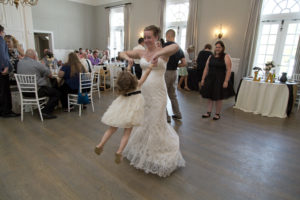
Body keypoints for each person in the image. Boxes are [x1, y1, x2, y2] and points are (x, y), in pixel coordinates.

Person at [119, 25, 185, 177]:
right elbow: (122, 53)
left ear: (156, 37)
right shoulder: (141, 52)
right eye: (145, 37)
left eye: (150, 37)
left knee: (156, 121)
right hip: (143, 92)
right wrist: (128, 58)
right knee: (144, 121)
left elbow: (176, 46)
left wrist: (158, 51)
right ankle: (143, 152)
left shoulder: (164, 52)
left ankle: (157, 154)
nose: (147, 40)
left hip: (158, 93)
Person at [94, 62, 155, 164]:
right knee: (127, 133)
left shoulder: (123, 88)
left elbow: (126, 77)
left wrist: (129, 67)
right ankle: (119, 151)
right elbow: (146, 74)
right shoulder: (138, 84)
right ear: (132, 79)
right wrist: (151, 66)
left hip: (120, 108)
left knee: (112, 129)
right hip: (132, 111)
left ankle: (100, 144)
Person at [18, 49, 60, 119]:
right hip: (36, 91)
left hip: (24, 92)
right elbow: (49, 74)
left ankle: (43, 108)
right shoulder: (36, 63)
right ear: (34, 56)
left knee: (47, 88)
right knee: (57, 93)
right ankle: (46, 112)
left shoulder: (20, 63)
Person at [200, 41, 235, 120]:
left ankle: (217, 113)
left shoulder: (226, 56)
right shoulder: (210, 56)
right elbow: (206, 68)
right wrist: (203, 79)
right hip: (210, 78)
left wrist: (226, 81)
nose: (217, 49)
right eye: (216, 47)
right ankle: (208, 112)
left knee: (218, 97)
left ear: (222, 48)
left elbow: (229, 70)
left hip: (220, 80)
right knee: (209, 96)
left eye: (219, 47)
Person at [164, 29, 186, 122]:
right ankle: (178, 114)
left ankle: (166, 117)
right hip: (175, 73)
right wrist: (176, 65)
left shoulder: (164, 46)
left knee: (163, 95)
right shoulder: (178, 48)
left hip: (165, 73)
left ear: (168, 36)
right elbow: (184, 63)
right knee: (173, 95)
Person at [0, 25, 19, 117]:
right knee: (5, 92)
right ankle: (6, 111)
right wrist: (6, 67)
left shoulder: (15, 50)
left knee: (2, 92)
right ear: (1, 32)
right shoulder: (1, 41)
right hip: (4, 71)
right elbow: (3, 57)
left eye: (9, 42)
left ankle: (2, 110)